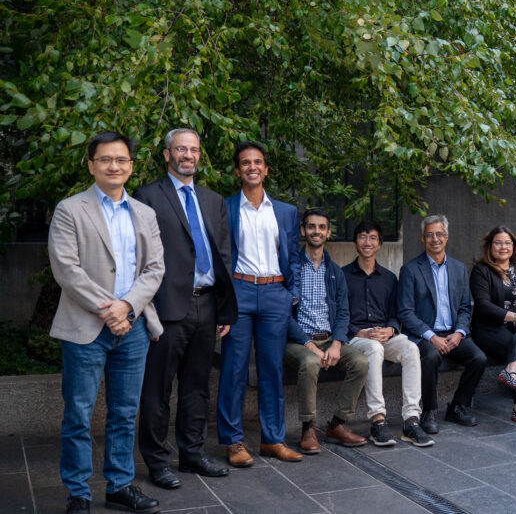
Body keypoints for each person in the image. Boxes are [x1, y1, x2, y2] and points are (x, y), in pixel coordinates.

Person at [49, 132, 165, 514]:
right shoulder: (70, 209)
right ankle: (78, 492)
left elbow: (154, 269)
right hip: (86, 327)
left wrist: (128, 307)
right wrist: (110, 308)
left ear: (130, 166)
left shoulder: (145, 213)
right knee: (78, 414)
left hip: (133, 328)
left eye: (121, 160)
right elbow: (67, 270)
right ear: (91, 165)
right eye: (105, 160)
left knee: (124, 412)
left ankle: (119, 486)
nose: (113, 166)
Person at [134, 128, 235, 491]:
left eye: (193, 150)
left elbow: (223, 255)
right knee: (157, 389)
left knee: (197, 387)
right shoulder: (146, 196)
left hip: (206, 305)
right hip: (165, 307)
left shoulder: (213, 200)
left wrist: (224, 309)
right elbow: (139, 256)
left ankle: (191, 453)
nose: (187, 155)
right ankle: (158, 461)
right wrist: (145, 310)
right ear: (167, 155)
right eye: (180, 149)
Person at [217, 141, 303, 466]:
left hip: (273, 294)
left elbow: (293, 256)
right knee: (233, 369)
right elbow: (219, 256)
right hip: (238, 291)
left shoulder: (286, 211)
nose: (252, 167)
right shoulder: (225, 208)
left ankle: (272, 439)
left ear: (266, 169)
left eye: (258, 162)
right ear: (238, 170)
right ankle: (233, 441)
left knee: (271, 370)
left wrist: (287, 292)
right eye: (245, 163)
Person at [342, 219, 434, 447]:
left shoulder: (389, 278)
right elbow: (339, 315)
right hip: (357, 338)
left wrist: (390, 329)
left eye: (372, 237)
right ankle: (378, 420)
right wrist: (360, 332)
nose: (367, 242)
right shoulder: (342, 276)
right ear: (355, 242)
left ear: (379, 244)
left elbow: (396, 314)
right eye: (362, 237)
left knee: (411, 348)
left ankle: (411, 419)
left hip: (384, 335)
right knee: (373, 348)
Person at [284, 209, 369, 453]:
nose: (316, 231)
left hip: (328, 339)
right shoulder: (292, 270)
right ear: (303, 231)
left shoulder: (335, 272)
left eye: (322, 227)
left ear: (328, 233)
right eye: (311, 227)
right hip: (297, 343)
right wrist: (308, 344)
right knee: (311, 363)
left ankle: (337, 424)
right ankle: (308, 427)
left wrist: (336, 344)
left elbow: (343, 312)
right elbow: (284, 315)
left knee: (360, 362)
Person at [398, 215, 488, 433]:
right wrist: (431, 337)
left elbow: (466, 308)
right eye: (429, 234)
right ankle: (429, 410)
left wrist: (459, 332)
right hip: (424, 334)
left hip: (452, 333)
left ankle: (457, 406)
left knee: (479, 358)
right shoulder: (411, 270)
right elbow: (405, 312)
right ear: (422, 239)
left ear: (446, 237)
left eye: (439, 234)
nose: (434, 239)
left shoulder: (458, 268)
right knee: (430, 356)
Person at [470, 226, 516, 425]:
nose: (503, 247)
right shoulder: (481, 271)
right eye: (498, 242)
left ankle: (511, 369)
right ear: (490, 246)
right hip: (489, 329)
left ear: (514, 246)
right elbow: (483, 306)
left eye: (507, 243)